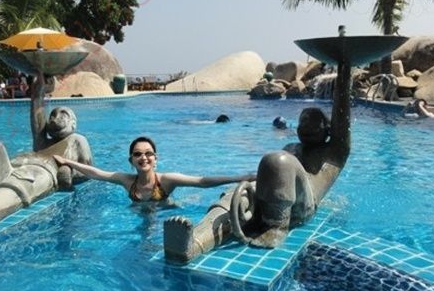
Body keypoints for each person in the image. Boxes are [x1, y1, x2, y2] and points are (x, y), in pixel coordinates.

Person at [164, 56, 353, 262]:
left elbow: (342, 121)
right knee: (237, 198)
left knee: (278, 160)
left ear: (328, 129)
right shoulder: (292, 147)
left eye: (313, 123)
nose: (306, 126)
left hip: (302, 206)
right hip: (274, 198)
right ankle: (193, 245)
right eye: (302, 122)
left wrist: (344, 69)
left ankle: (276, 226)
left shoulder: (334, 151)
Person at [0, 70, 93, 231]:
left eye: (63, 114)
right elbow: (37, 113)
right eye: (53, 114)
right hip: (14, 163)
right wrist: (39, 88)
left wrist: (69, 171)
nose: (56, 117)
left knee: (18, 181)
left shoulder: (77, 140)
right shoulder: (42, 141)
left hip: (40, 169)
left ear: (73, 123)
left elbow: (87, 170)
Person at [54, 136, 255, 203]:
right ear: (131, 160)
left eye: (148, 153)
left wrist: (240, 178)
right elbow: (97, 173)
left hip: (164, 210)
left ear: (155, 159)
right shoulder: (126, 180)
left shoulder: (167, 180)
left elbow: (201, 181)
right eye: (138, 154)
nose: (144, 157)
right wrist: (68, 162)